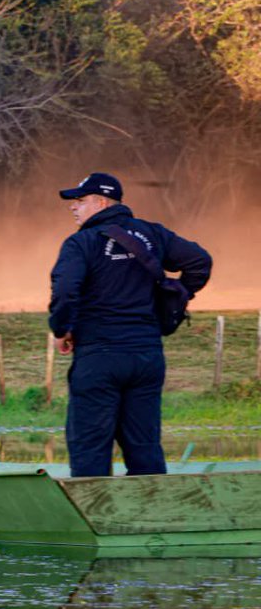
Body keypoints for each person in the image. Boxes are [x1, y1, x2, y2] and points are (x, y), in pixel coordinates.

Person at [49, 172, 212, 477]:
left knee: (90, 445)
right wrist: (179, 296)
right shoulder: (152, 235)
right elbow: (199, 261)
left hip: (99, 356)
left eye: (80, 201)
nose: (73, 207)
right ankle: (149, 514)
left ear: (100, 202)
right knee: (144, 444)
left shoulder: (81, 243)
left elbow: (65, 290)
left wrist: (62, 329)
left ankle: (96, 517)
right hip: (146, 355)